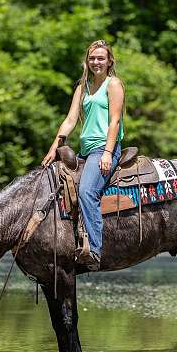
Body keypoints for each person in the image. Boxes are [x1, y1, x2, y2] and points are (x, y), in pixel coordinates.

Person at [42, 39, 125, 270]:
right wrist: (53, 149)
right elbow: (69, 120)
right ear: (86, 62)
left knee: (87, 190)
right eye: (92, 58)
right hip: (86, 150)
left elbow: (115, 120)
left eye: (101, 58)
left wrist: (108, 153)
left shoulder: (113, 84)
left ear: (109, 61)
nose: (96, 62)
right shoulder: (83, 87)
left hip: (104, 148)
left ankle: (95, 250)